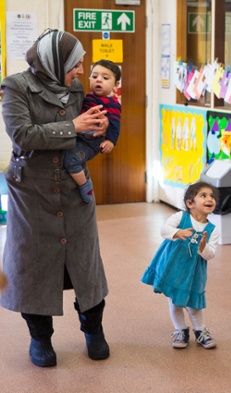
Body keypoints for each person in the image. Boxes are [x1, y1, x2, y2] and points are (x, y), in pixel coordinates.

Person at [0, 29, 110, 367]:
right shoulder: (15, 86)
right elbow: (22, 135)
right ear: (53, 62)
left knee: (85, 266)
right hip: (31, 191)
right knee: (33, 268)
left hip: (74, 188)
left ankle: (93, 329)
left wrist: (98, 127)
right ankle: (40, 339)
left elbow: (84, 129)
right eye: (74, 65)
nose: (80, 72)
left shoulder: (75, 88)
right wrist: (73, 127)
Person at [141, 181, 220, 349]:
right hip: (173, 268)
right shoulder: (180, 217)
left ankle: (200, 331)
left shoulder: (213, 229)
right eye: (203, 195)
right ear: (190, 203)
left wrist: (203, 247)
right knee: (175, 302)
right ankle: (181, 331)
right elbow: (164, 229)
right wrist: (177, 232)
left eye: (212, 196)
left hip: (194, 273)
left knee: (194, 305)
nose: (209, 199)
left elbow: (210, 254)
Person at [63, 59, 122, 203]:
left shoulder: (112, 103)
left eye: (105, 78)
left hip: (91, 142)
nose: (99, 80)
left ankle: (85, 185)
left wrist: (110, 141)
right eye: (94, 76)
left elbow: (115, 124)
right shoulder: (88, 96)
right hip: (78, 135)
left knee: (71, 161)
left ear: (116, 85)